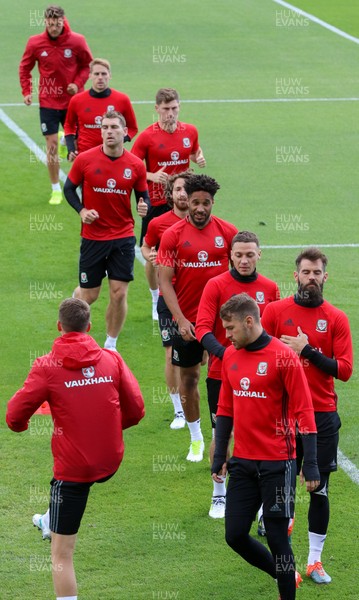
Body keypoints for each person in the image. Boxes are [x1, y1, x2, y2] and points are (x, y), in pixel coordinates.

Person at [6, 298, 145, 600]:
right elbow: (136, 409)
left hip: (74, 473)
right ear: (89, 327)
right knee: (69, 476)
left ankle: (50, 525)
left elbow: (14, 416)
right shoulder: (112, 359)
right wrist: (104, 430)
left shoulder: (46, 366)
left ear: (59, 327)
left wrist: (21, 428)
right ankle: (47, 517)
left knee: (61, 554)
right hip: (110, 460)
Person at [212, 293, 320, 600]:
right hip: (242, 464)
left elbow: (304, 412)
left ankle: (286, 590)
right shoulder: (231, 356)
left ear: (249, 322)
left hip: (278, 463)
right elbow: (225, 409)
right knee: (234, 535)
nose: (227, 335)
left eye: (230, 328)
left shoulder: (283, 357)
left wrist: (309, 464)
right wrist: (220, 454)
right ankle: (285, 573)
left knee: (276, 536)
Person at [261, 247, 353, 585]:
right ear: (295, 276)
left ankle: (314, 561)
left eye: (317, 273)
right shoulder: (274, 311)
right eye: (306, 272)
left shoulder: (336, 318)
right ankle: (285, 562)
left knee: (319, 489)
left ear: (325, 277)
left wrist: (307, 350)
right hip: (282, 415)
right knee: (280, 489)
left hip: (322, 416)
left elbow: (344, 371)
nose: (311, 278)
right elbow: (261, 357)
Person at [196, 231, 280, 518]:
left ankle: (254, 497)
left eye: (250, 254)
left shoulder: (269, 288)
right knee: (222, 433)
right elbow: (202, 329)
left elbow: (273, 333)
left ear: (259, 254)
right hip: (222, 375)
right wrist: (227, 355)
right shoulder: (215, 285)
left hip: (262, 376)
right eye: (239, 255)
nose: (244, 260)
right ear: (230, 255)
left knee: (257, 432)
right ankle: (219, 493)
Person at [157, 174, 237, 462]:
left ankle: (222, 438)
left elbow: (239, 274)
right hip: (188, 320)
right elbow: (164, 282)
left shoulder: (228, 233)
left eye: (206, 203)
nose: (200, 208)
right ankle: (195, 438)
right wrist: (179, 319)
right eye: (195, 203)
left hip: (221, 324)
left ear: (212, 202)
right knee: (189, 378)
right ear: (186, 202)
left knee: (224, 379)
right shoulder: (172, 235)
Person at [64, 110, 150, 351]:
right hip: (93, 237)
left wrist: (144, 207)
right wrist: (82, 211)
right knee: (89, 295)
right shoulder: (85, 159)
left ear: (125, 132)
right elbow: (69, 189)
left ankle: (110, 344)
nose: (109, 131)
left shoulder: (135, 165)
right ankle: (73, 317)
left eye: (113, 127)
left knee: (119, 293)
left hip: (122, 237)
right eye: (104, 127)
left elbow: (143, 195)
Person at [131, 88, 206, 320]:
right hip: (157, 202)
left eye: (174, 108)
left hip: (186, 202)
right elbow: (132, 166)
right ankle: (156, 298)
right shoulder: (146, 136)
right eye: (165, 109)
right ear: (156, 109)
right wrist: (152, 176)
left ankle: (186, 295)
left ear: (179, 107)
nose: (170, 114)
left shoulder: (190, 131)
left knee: (188, 248)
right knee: (154, 254)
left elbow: (193, 151)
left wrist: (199, 157)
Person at [19, 5, 93, 205]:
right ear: (45, 22)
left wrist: (77, 84)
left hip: (73, 101)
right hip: (48, 101)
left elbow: (88, 65)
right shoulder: (35, 42)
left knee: (78, 146)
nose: (54, 28)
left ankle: (81, 183)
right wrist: (27, 91)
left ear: (63, 21)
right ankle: (55, 189)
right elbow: (25, 67)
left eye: (57, 24)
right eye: (50, 24)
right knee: (50, 147)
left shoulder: (77, 41)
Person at [141, 170, 192, 430]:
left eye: (187, 189)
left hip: (198, 298)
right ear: (170, 195)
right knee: (172, 352)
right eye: (178, 189)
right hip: (169, 297)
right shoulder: (159, 223)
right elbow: (146, 245)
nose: (182, 194)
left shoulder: (206, 224)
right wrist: (151, 255)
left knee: (201, 358)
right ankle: (179, 410)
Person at [64, 57, 138, 160]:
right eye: (96, 74)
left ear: (110, 76)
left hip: (113, 156)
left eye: (104, 74)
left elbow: (133, 128)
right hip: (85, 157)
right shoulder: (77, 100)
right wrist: (71, 148)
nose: (100, 77)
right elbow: (69, 125)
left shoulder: (122, 99)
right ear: (90, 76)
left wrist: (119, 140)